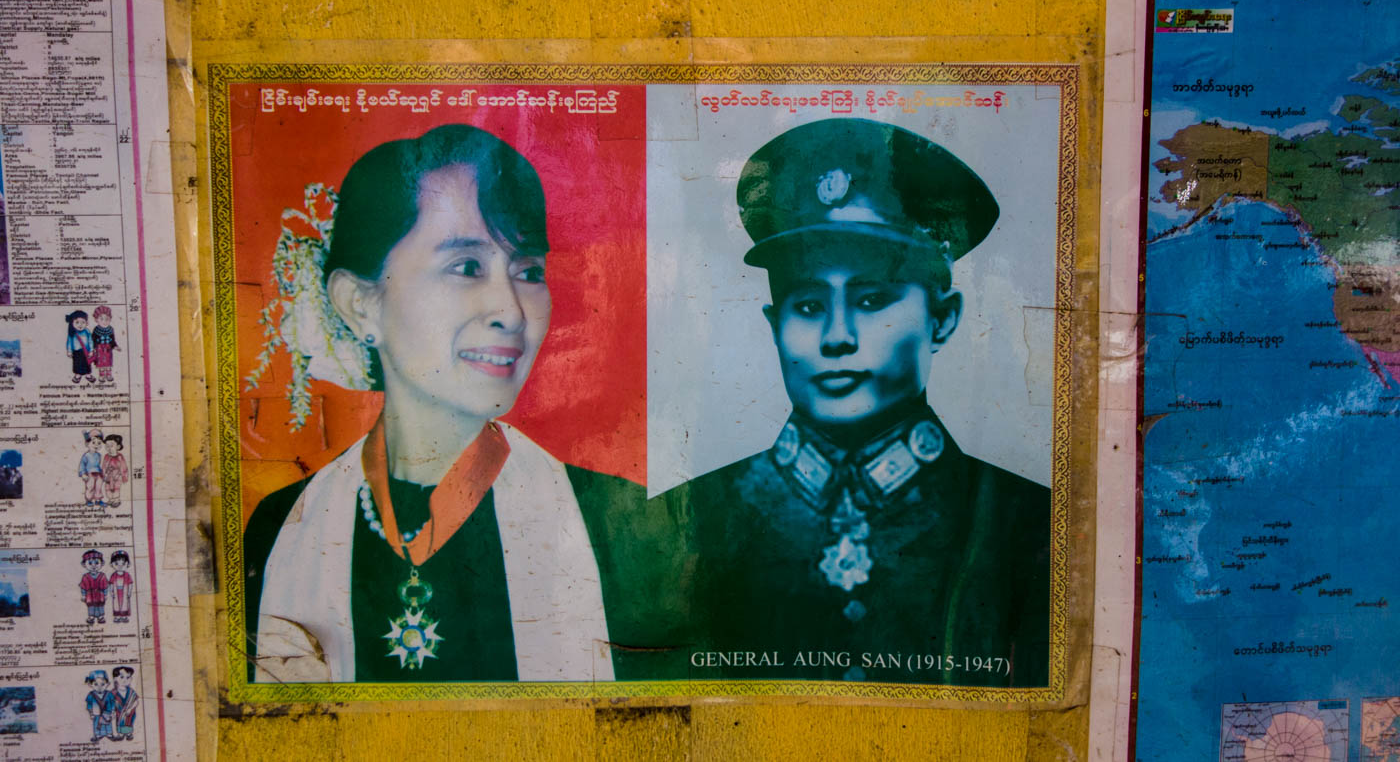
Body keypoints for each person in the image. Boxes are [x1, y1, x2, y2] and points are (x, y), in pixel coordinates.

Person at [243, 124, 647, 684]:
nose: (512, 311)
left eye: (528, 272)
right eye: (467, 267)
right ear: (359, 304)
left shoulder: (619, 527)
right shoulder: (281, 530)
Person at [680, 118, 1051, 687]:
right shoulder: (695, 516)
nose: (837, 337)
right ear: (775, 327)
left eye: (873, 299)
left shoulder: (1027, 523)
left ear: (942, 319)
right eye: (808, 306)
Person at [90, 306, 119, 384]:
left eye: (107, 319)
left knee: (108, 362)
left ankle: (109, 374)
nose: (104, 321)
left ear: (110, 319)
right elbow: (93, 340)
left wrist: (115, 346)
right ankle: (102, 375)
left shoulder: (110, 329)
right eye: (101, 319)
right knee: (101, 363)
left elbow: (112, 340)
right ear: (96, 320)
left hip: (108, 348)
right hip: (99, 349)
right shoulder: (96, 330)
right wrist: (93, 348)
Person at [84, 669, 114, 742]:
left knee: (108, 723)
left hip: (107, 713)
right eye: (96, 684)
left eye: (103, 684)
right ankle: (98, 735)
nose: (99, 687)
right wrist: (91, 713)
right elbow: (89, 705)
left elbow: (112, 702)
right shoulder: (91, 695)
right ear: (90, 685)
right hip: (96, 713)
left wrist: (113, 711)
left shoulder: (109, 694)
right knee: (97, 724)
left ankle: (109, 734)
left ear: (108, 684)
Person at [79, 550, 107, 625]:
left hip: (100, 595)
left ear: (102, 563)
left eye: (97, 563)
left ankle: (100, 617)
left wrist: (105, 594)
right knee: (91, 605)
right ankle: (91, 617)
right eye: (90, 563)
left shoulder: (102, 576)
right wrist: (83, 595)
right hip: (90, 595)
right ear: (84, 565)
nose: (93, 566)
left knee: (100, 605)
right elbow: (83, 587)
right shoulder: (85, 577)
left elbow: (105, 586)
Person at [65, 310, 93, 384]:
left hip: (86, 351)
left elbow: (90, 341)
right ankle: (78, 375)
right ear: (72, 323)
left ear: (87, 323)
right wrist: (69, 351)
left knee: (87, 363)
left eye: (83, 322)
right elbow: (69, 342)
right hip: (76, 352)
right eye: (77, 322)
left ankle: (88, 374)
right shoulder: (72, 332)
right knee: (77, 363)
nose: (80, 325)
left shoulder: (87, 331)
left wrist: (91, 350)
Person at [110, 666, 138, 739]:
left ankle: (128, 734)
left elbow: (136, 701)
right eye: (122, 677)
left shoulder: (131, 692)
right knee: (119, 723)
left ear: (131, 679)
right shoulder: (113, 692)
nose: (125, 680)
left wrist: (130, 709)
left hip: (129, 713)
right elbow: (110, 703)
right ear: (115, 678)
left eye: (128, 677)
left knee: (128, 722)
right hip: (118, 713)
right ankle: (120, 734)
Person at [78, 430, 104, 506]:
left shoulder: (99, 455)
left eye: (99, 443)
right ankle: (89, 500)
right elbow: (82, 465)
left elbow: (99, 465)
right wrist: (83, 474)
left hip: (98, 474)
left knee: (98, 487)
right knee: (90, 487)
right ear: (87, 444)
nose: (96, 445)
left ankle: (98, 500)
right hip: (90, 474)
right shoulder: (86, 455)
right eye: (93, 442)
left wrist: (102, 473)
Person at [101, 434, 128, 509]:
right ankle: (111, 499)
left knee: (116, 488)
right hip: (108, 476)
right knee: (107, 488)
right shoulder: (106, 456)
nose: (109, 448)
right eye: (107, 446)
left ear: (118, 447)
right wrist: (103, 475)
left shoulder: (120, 457)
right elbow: (104, 466)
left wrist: (124, 477)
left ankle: (116, 500)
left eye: (111, 446)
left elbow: (124, 467)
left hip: (117, 476)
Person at [109, 551, 134, 623]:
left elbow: (130, 584)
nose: (120, 566)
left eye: (123, 563)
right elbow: (111, 584)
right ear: (112, 564)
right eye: (116, 564)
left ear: (127, 564)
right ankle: (117, 616)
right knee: (116, 605)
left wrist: (129, 592)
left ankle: (124, 616)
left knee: (125, 604)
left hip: (125, 592)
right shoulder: (113, 575)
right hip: (116, 592)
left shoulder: (127, 575)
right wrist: (111, 592)